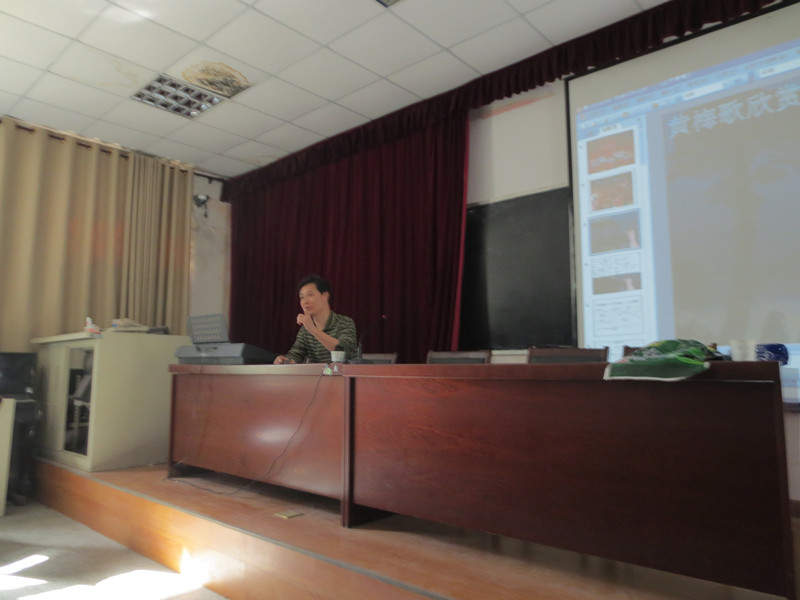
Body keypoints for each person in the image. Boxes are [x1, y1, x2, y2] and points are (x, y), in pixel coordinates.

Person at [273, 274, 357, 364]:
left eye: (310, 295)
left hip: (344, 373)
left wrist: (313, 329)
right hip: (317, 373)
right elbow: (296, 354)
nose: (305, 301)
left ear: (325, 296)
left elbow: (343, 350)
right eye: (302, 297)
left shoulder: (345, 322)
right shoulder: (305, 330)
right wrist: (286, 361)